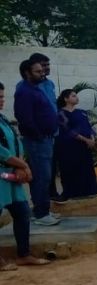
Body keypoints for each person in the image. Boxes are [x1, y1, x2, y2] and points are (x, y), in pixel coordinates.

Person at [0, 81, 50, 270]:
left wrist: (21, 166)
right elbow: (2, 152)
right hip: (3, 174)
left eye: (2, 97)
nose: (2, 100)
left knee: (22, 212)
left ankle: (24, 254)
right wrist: (24, 165)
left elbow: (16, 142)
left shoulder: (3, 119)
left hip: (11, 174)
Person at [14, 59, 60, 226]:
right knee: (42, 176)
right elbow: (24, 118)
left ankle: (41, 210)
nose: (42, 74)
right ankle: (41, 214)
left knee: (44, 176)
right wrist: (39, 135)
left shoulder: (35, 89)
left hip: (45, 139)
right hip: (37, 141)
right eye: (38, 72)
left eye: (42, 71)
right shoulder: (24, 91)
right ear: (27, 73)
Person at [56, 89, 97, 200]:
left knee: (86, 169)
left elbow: (89, 127)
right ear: (66, 99)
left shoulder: (82, 112)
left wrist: (92, 138)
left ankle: (88, 192)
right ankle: (72, 193)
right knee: (71, 169)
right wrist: (85, 139)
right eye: (73, 96)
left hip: (85, 147)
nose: (76, 97)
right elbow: (68, 130)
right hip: (70, 147)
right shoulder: (61, 113)